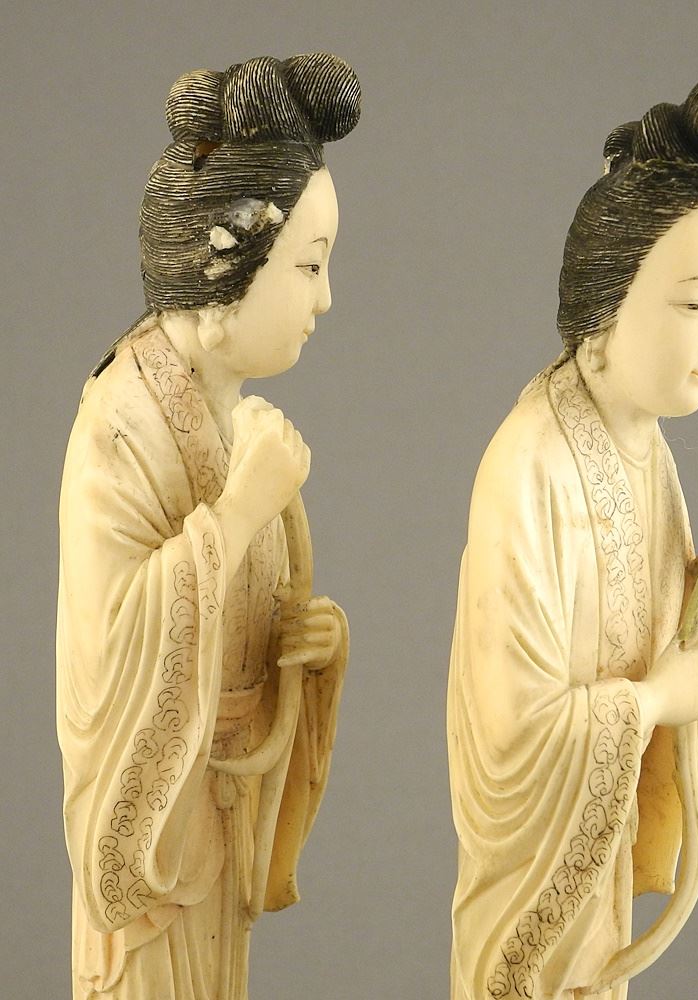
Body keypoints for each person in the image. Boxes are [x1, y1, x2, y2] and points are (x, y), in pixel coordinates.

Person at [447, 72, 698, 1000]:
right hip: (534, 888)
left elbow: (678, 629)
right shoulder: (531, 466)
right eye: (693, 305)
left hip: (595, 873)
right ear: (607, 298)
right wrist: (650, 704)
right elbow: (514, 736)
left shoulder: (643, 448)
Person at [57, 54, 361, 1000]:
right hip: (157, 833)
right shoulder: (122, 422)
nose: (324, 298)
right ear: (231, 265)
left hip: (221, 808)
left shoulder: (225, 408)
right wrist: (239, 510)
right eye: (308, 266)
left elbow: (245, 612)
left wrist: (307, 651)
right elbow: (114, 652)